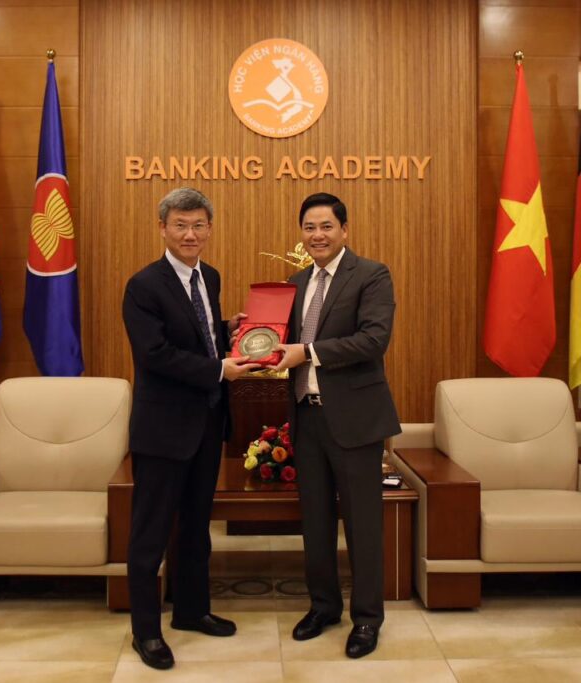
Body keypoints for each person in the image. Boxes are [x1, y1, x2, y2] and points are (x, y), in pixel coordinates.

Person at [121, 187, 259, 670]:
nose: (190, 234)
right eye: (180, 225)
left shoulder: (209, 276)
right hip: (162, 430)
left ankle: (192, 610)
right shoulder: (143, 286)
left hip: (206, 424)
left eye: (199, 225)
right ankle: (145, 632)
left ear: (209, 229)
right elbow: (155, 354)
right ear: (162, 228)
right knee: (150, 534)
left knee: (197, 526)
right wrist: (221, 368)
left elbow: (196, 335)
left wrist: (227, 330)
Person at [275, 192, 401, 659]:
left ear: (344, 230)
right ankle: (323, 607)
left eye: (326, 226)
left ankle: (366, 619)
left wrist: (307, 352)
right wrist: (248, 333)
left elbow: (373, 339)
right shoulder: (296, 282)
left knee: (363, 523)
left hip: (355, 419)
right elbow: (281, 341)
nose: (317, 235)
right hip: (306, 416)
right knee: (316, 522)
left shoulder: (371, 274)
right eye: (309, 227)